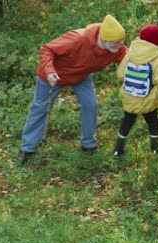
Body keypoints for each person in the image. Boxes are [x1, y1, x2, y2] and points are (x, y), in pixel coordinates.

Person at [20, 15, 128, 163]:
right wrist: (50, 70)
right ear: (104, 38)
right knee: (40, 107)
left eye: (121, 42)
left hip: (81, 76)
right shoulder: (77, 39)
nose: (119, 46)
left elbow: (129, 59)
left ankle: (88, 144)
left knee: (91, 105)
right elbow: (47, 49)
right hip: (54, 74)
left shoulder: (116, 47)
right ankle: (28, 148)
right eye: (116, 43)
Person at [112, 24, 158, 157]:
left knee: (127, 121)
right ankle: (155, 150)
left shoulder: (130, 55)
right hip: (149, 100)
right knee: (153, 121)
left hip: (129, 97)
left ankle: (118, 149)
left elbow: (120, 74)